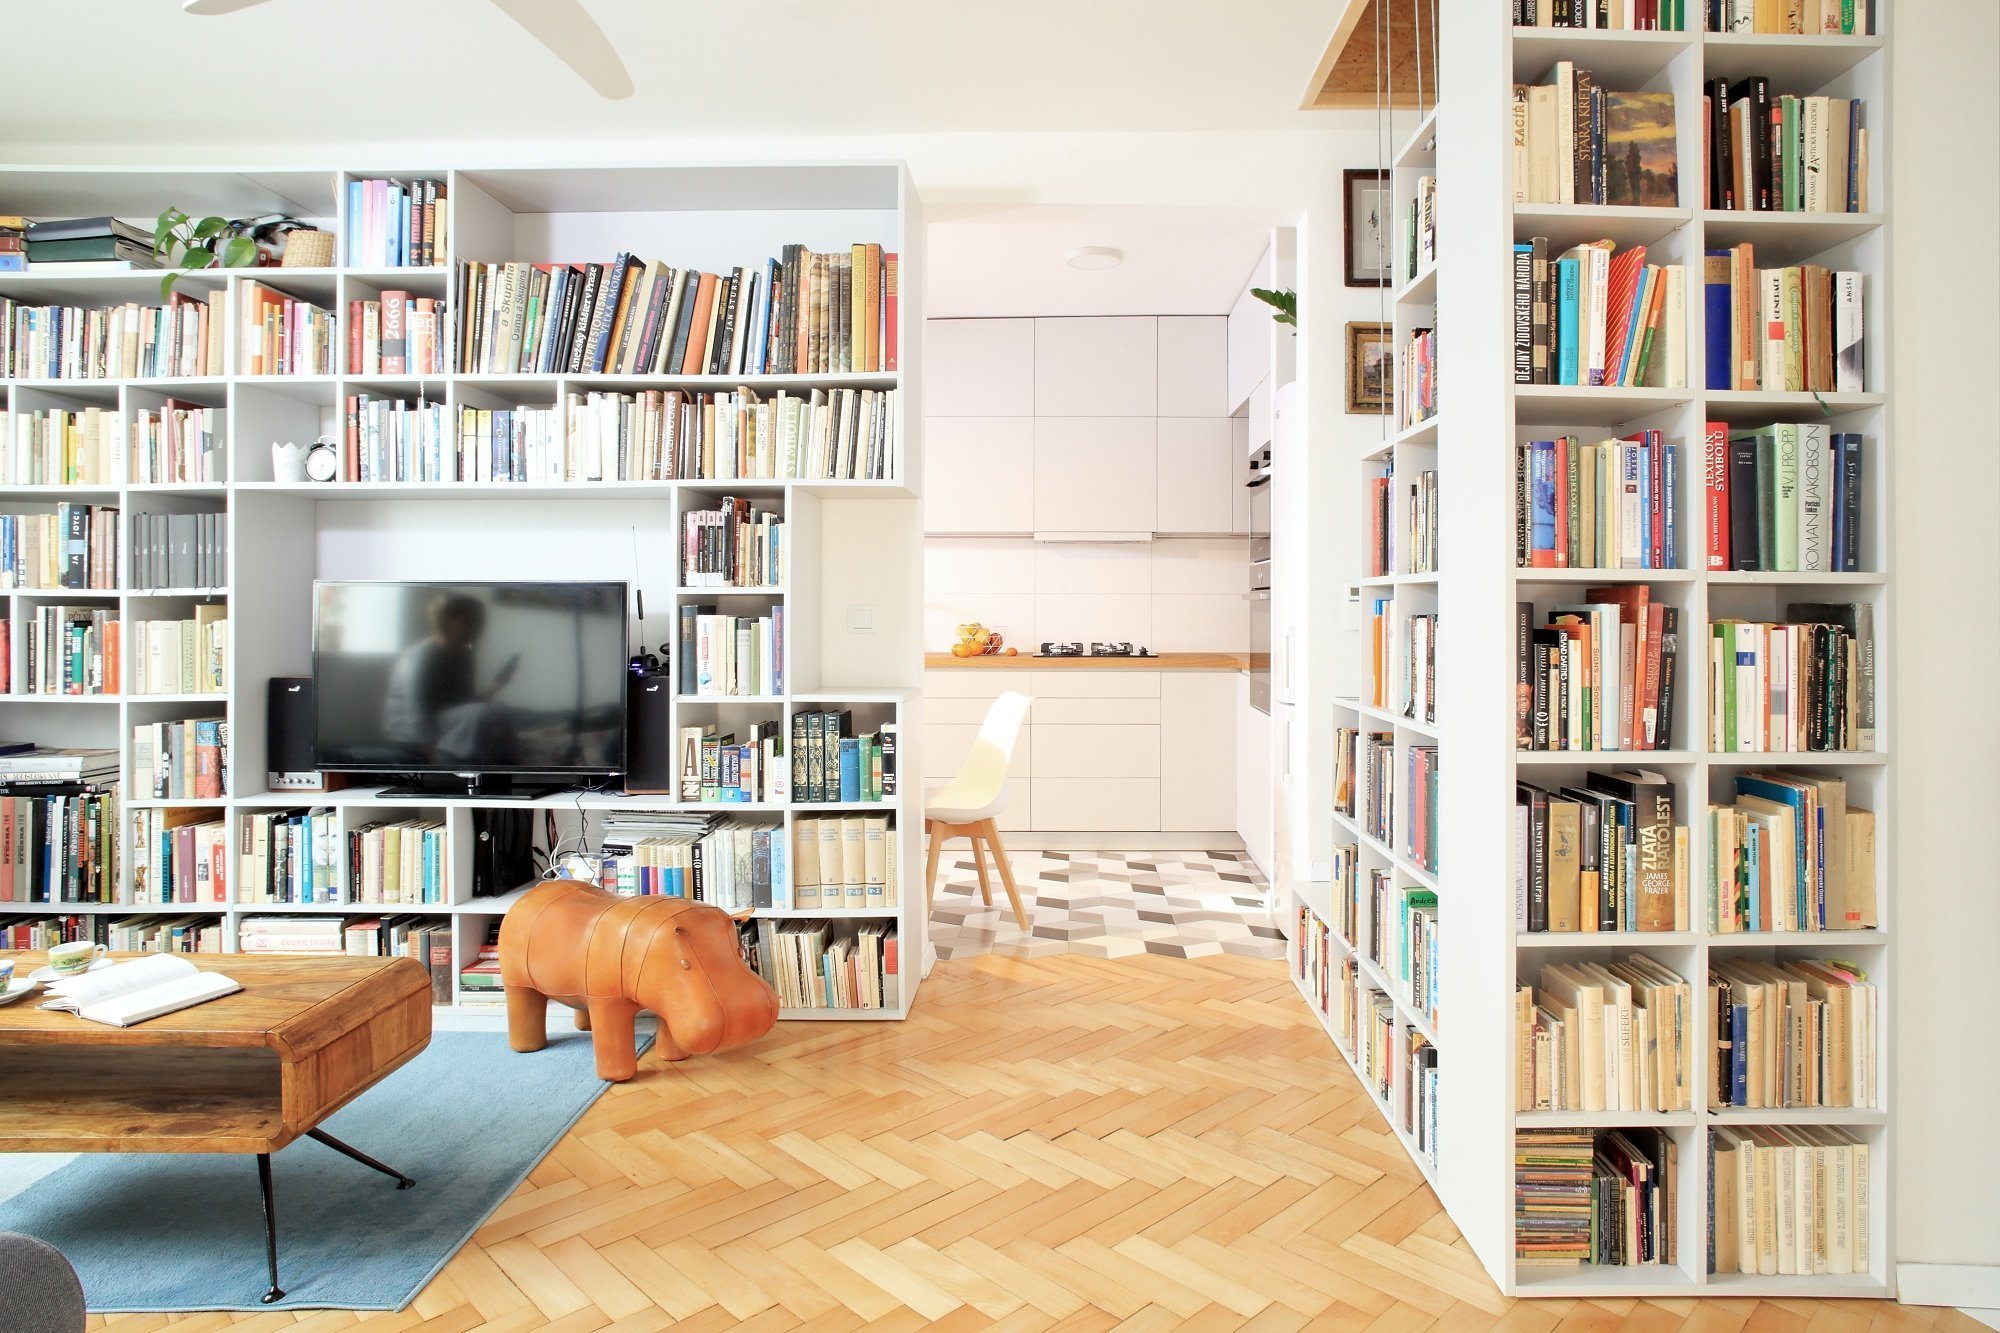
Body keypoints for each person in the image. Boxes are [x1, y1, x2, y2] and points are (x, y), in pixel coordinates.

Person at [382, 592, 521, 765]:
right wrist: (431, 754)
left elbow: (469, 703)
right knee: (482, 714)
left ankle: (511, 765)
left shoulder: (464, 656)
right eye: (468, 622)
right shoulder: (420, 656)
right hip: (410, 729)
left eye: (479, 622)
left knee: (498, 710)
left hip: (443, 722)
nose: (475, 629)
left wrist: (498, 683)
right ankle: (459, 759)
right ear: (445, 621)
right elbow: (416, 712)